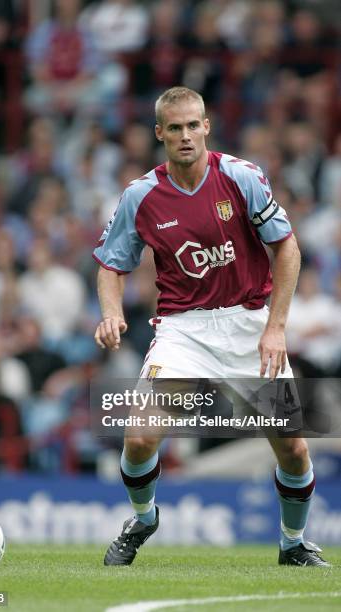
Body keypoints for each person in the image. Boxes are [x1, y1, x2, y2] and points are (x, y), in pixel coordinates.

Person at [93, 87, 329, 567]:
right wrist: (111, 312)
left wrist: (276, 328)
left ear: (207, 127)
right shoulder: (141, 195)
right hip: (183, 330)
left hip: (248, 323)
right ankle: (142, 518)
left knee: (294, 449)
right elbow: (110, 265)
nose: (185, 136)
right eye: (174, 128)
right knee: (138, 437)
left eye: (192, 125)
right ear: (159, 133)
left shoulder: (241, 178)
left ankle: (293, 544)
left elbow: (287, 248)